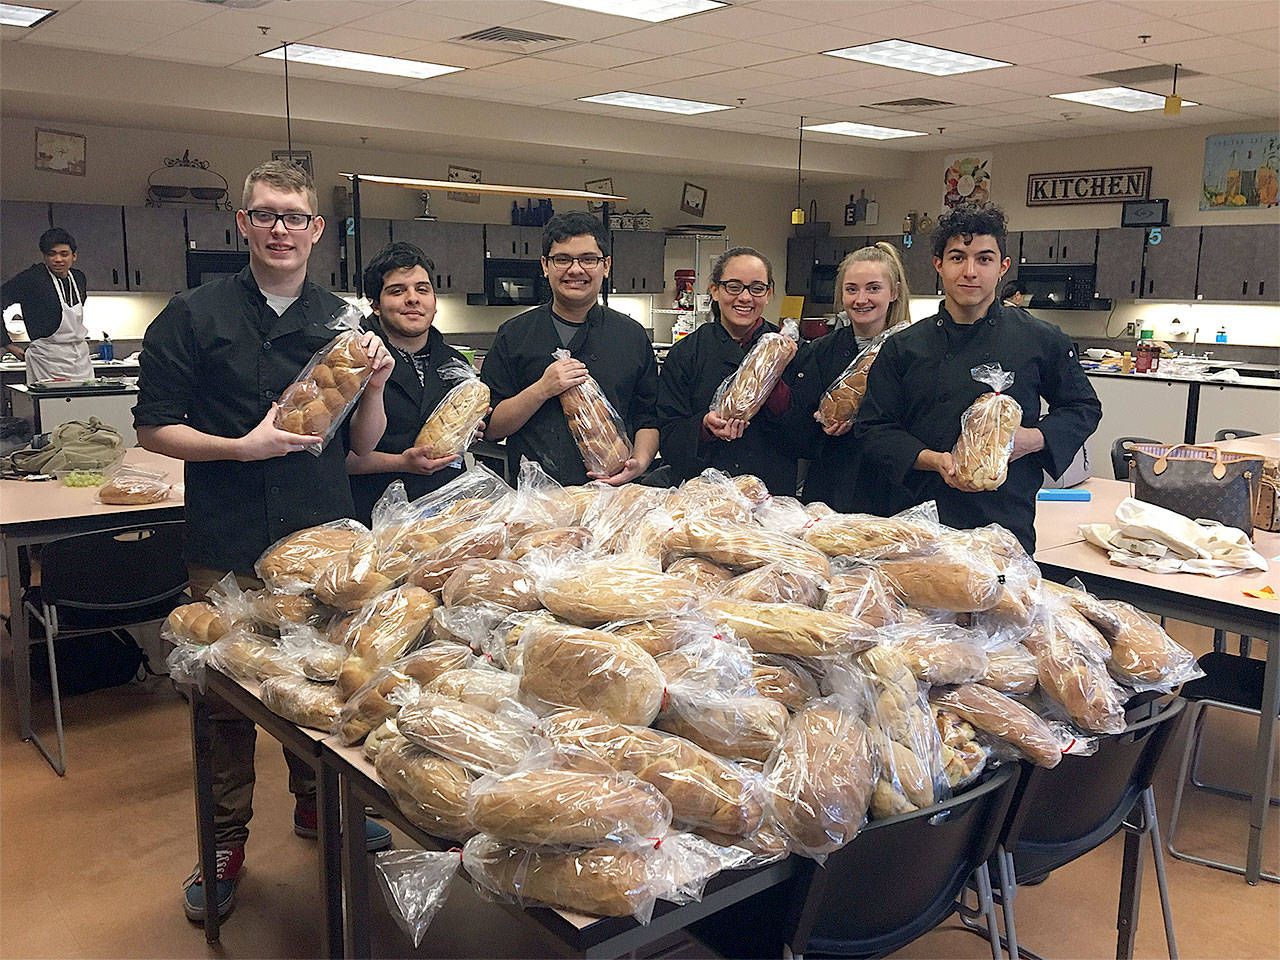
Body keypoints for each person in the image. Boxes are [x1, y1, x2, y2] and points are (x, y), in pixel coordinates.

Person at [133, 159, 395, 923]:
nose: (282, 229)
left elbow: (360, 443)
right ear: (244, 224)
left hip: (324, 541)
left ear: (318, 229)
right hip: (229, 537)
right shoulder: (193, 314)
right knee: (222, 698)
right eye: (267, 215)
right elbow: (153, 428)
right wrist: (239, 448)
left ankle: (319, 804)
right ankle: (223, 840)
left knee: (320, 680)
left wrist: (375, 385)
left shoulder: (344, 322)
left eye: (296, 217)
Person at [855, 203, 1101, 553]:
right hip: (917, 517)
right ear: (939, 264)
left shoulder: (1041, 339)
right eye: (958, 257)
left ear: (1002, 267)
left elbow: (1083, 407)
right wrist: (934, 460)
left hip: (1004, 519)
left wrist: (1031, 439)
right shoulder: (904, 347)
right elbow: (873, 427)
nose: (970, 271)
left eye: (984, 259)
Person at [481, 211, 658, 486]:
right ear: (545, 265)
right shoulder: (515, 334)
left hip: (611, 495)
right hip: (536, 498)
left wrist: (640, 462)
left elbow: (648, 417)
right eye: (562, 259)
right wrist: (541, 389)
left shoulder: (631, 336)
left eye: (588, 259)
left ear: (606, 265)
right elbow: (491, 427)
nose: (575, 270)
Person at [347, 241, 484, 524]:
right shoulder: (354, 359)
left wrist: (469, 430)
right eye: (397, 291)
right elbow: (333, 458)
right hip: (373, 517)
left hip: (445, 515)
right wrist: (402, 462)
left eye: (422, 289)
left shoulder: (455, 363)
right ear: (376, 305)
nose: (413, 298)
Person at [657, 246, 800, 497]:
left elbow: (806, 438)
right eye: (733, 286)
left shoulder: (791, 353)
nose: (745, 298)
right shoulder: (686, 354)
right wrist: (703, 427)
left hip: (771, 498)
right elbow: (669, 435)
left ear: (769, 294)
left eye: (756, 288)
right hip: (703, 499)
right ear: (714, 290)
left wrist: (774, 387)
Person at [786, 242, 911, 513]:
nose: (861, 299)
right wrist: (819, 424)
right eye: (851, 289)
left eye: (873, 288)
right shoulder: (820, 351)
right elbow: (798, 432)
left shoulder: (913, 351)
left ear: (895, 292)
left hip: (892, 493)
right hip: (831, 491)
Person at [1, 227, 95, 382]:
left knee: (86, 403)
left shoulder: (79, 278)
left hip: (80, 359)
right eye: (52, 254)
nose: (58, 259)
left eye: (64, 254)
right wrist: (7, 344)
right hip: (47, 359)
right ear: (44, 256)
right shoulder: (31, 279)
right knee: (54, 405)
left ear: (74, 256)